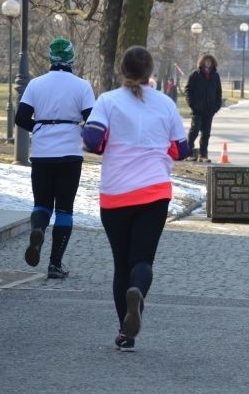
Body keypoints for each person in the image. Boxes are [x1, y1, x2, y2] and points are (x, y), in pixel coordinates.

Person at [82, 45, 190, 351]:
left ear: (122, 70)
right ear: (150, 72)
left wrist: (101, 143)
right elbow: (181, 149)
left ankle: (125, 333)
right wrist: (161, 150)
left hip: (115, 193)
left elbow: (93, 140)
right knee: (142, 259)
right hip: (154, 191)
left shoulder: (108, 101)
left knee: (121, 262)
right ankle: (138, 290)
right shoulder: (166, 103)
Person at [15, 37, 95, 279]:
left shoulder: (36, 84)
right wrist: (77, 130)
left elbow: (20, 118)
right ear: (72, 58)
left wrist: (40, 128)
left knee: (41, 203)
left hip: (42, 153)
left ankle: (38, 229)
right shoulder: (82, 86)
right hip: (70, 153)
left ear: (50, 58)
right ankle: (55, 264)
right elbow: (92, 119)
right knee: (64, 209)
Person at [184, 54, 222, 162]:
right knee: (194, 131)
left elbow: (218, 92)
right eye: (206, 61)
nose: (208, 63)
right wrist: (192, 104)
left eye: (210, 61)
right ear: (202, 62)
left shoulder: (215, 76)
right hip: (197, 109)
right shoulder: (195, 75)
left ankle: (203, 155)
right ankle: (189, 153)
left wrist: (216, 107)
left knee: (206, 133)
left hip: (209, 110)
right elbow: (188, 90)